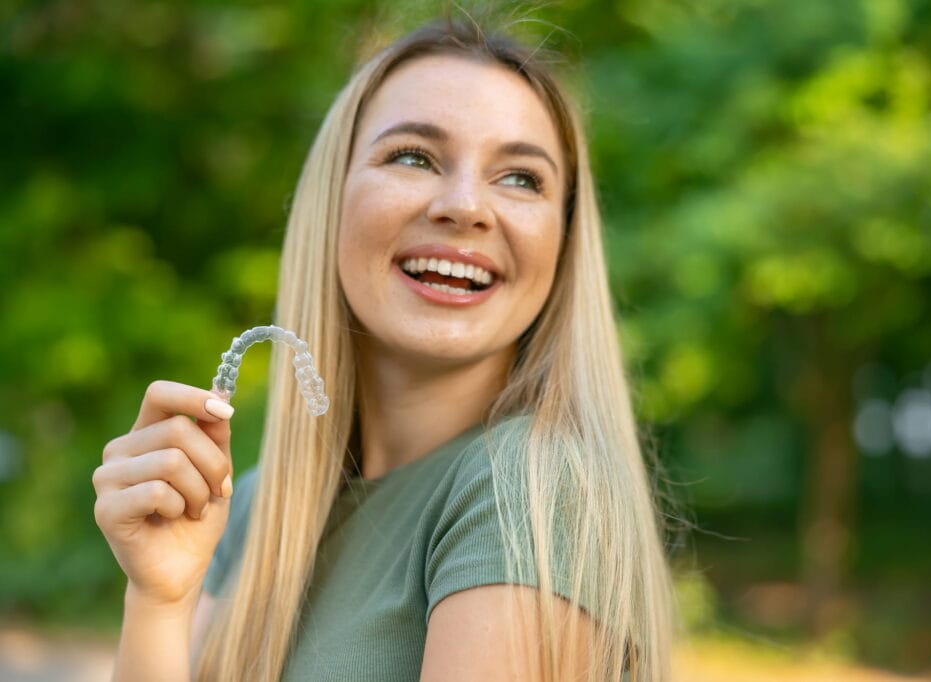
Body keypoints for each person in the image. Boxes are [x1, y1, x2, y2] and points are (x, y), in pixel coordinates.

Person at [93, 15, 676, 682]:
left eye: (520, 178)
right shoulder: (251, 507)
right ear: (330, 202)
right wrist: (159, 601)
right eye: (413, 157)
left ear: (564, 242)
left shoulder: (529, 488)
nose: (466, 206)